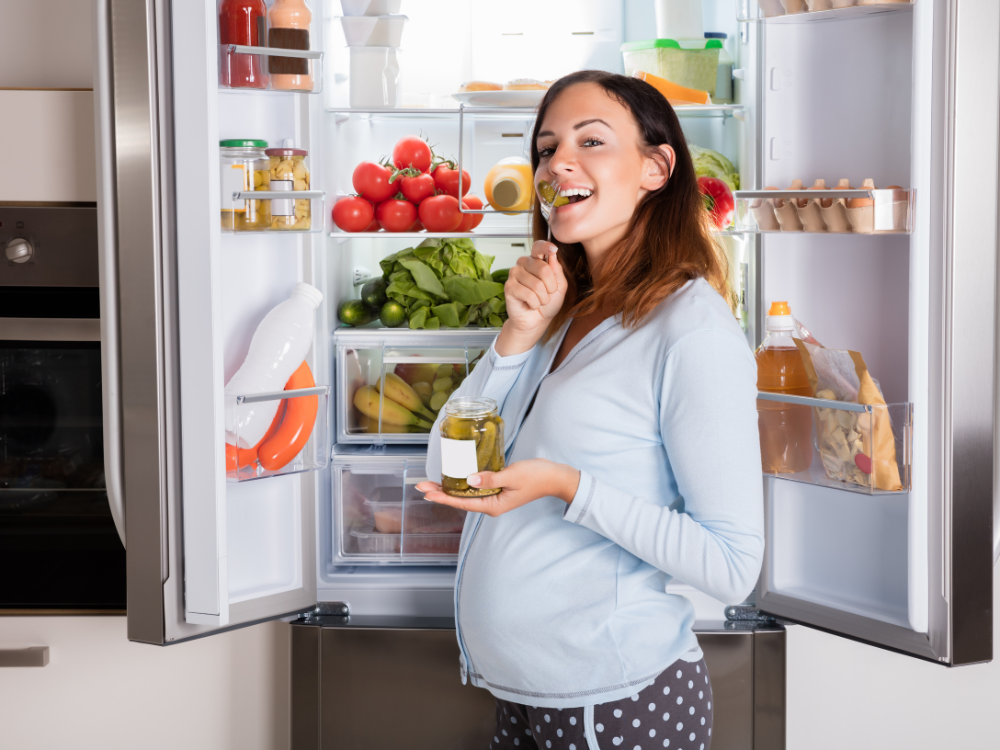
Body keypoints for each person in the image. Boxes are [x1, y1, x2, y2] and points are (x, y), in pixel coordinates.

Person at [417, 70, 764, 750]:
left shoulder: (690, 330)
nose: (557, 163)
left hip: (617, 701)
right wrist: (515, 339)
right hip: (529, 693)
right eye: (546, 148)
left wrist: (565, 484)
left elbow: (731, 564)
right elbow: (449, 467)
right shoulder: (564, 314)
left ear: (657, 167)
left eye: (591, 141)